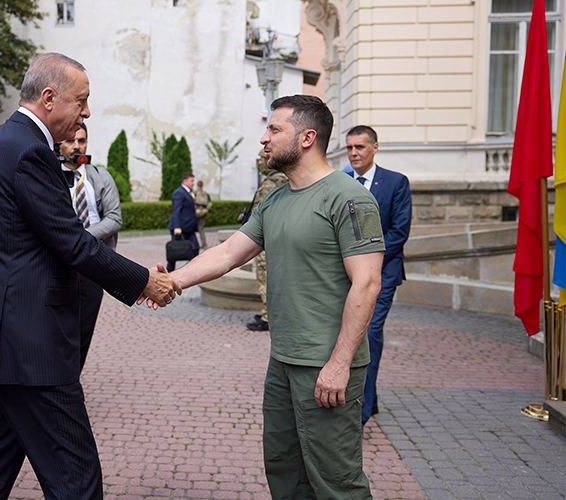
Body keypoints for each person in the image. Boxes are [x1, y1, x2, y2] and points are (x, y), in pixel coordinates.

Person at [0, 53, 180, 500]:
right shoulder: (30, 152)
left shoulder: (0, 142)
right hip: (27, 349)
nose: (87, 112)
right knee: (76, 479)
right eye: (83, 100)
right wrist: (144, 282)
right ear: (50, 98)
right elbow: (72, 243)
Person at [164, 95, 384, 499]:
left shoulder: (349, 197)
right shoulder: (275, 200)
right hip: (283, 361)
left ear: (306, 137)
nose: (264, 139)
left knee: (337, 482)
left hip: (326, 365)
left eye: (274, 129)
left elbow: (367, 284)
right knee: (284, 469)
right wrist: (172, 282)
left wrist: (339, 363)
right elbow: (229, 252)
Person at [343, 125, 412, 425]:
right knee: (349, 334)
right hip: (346, 276)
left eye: (360, 147)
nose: (354, 153)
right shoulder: (340, 181)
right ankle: (368, 399)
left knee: (367, 335)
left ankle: (360, 412)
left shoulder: (396, 183)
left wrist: (367, 262)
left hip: (383, 274)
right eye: (349, 148)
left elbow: (399, 231)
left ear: (375, 148)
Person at [58, 123, 123, 372]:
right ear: (59, 144)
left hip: (92, 264)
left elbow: (115, 218)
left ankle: (71, 381)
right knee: (56, 327)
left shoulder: (100, 176)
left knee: (83, 329)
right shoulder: (48, 174)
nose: (76, 146)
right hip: (58, 264)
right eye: (70, 141)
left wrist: (81, 238)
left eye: (81, 141)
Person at [246, 151, 288, 332]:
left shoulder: (269, 184)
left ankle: (267, 317)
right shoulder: (287, 180)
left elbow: (259, 217)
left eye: (262, 159)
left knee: (265, 280)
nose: (260, 163)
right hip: (283, 239)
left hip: (266, 242)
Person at [166, 172, 198, 271]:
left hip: (188, 228)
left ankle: (191, 271)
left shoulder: (189, 193)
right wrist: (177, 227)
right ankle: (168, 273)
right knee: (174, 253)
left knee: (195, 248)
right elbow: (176, 210)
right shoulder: (179, 193)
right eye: (191, 181)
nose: (193, 183)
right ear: (184, 181)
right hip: (180, 228)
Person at [194, 180, 212, 249]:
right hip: (204, 212)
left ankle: (194, 244)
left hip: (196, 212)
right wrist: (206, 210)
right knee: (201, 229)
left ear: (197, 185)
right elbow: (210, 203)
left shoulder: (195, 193)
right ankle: (204, 244)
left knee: (193, 229)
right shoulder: (206, 194)